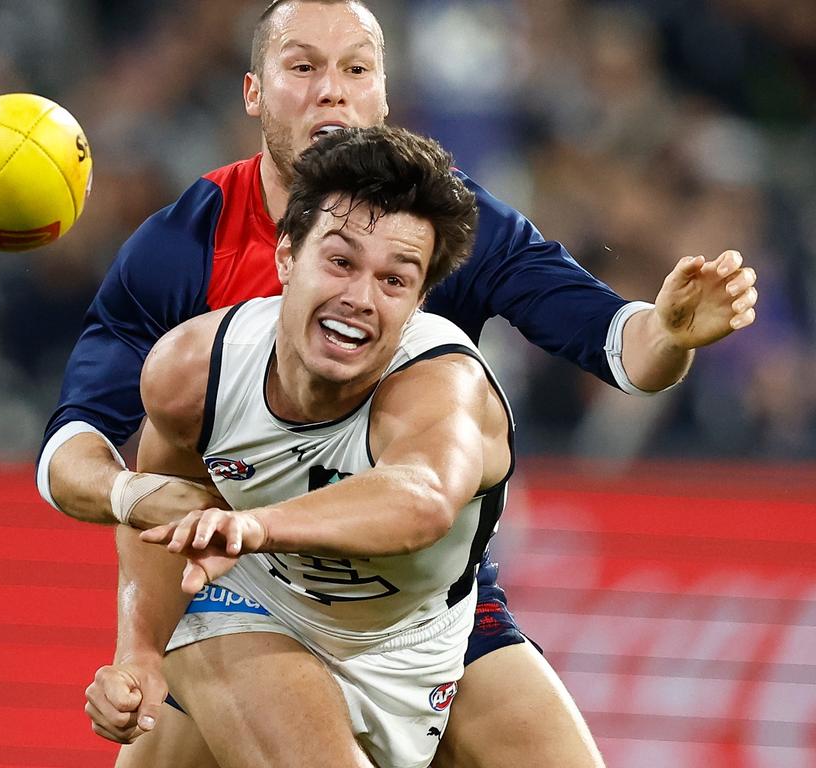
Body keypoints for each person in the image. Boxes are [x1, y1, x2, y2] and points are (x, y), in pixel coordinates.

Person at [37, 1, 759, 765]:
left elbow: (621, 348)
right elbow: (84, 453)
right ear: (254, 92)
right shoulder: (185, 280)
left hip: (425, 604)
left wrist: (673, 332)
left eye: (356, 69)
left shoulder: (452, 230)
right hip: (245, 595)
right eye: (303, 66)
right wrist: (139, 631)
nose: (331, 92)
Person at [115, 123, 519, 768]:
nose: (359, 298)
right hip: (250, 606)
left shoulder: (443, 385)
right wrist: (135, 653)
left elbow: (422, 501)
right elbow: (164, 512)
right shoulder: (194, 370)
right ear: (284, 257)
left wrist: (254, 524)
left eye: (394, 280)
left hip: (424, 636)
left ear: (418, 303)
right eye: (340, 262)